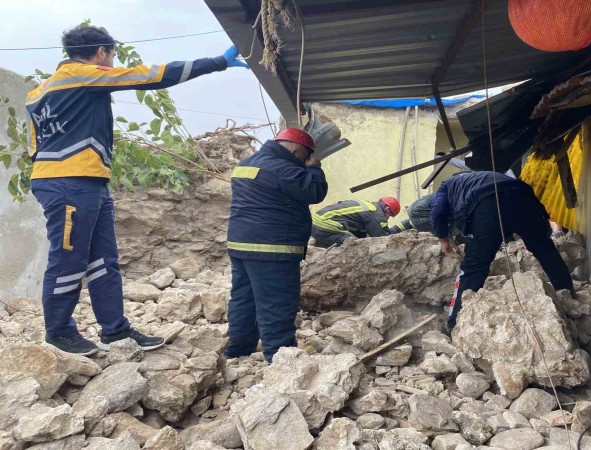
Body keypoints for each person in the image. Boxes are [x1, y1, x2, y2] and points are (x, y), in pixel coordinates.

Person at [25, 24, 249, 355]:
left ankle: (115, 330)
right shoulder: (85, 76)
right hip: (71, 184)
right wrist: (216, 62)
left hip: (82, 181)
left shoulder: (37, 93)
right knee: (68, 259)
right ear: (101, 53)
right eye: (112, 55)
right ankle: (58, 332)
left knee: (104, 260)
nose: (114, 63)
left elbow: (35, 146)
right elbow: (152, 75)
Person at [225, 128, 327, 363]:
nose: (303, 162)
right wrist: (314, 168)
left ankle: (238, 347)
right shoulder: (283, 168)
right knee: (276, 302)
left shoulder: (247, 163)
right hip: (272, 248)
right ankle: (280, 358)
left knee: (244, 298)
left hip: (241, 243)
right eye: (304, 157)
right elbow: (315, 191)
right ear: (294, 150)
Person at [430, 171, 574, 333]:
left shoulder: (446, 186)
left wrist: (443, 239)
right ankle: (568, 294)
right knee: (546, 250)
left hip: (487, 206)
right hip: (524, 198)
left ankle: (454, 322)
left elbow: (437, 209)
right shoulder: (485, 175)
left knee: (473, 268)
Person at [311, 196, 400, 248]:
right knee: (355, 246)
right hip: (325, 226)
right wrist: (401, 227)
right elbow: (383, 238)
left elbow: (359, 230)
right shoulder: (376, 215)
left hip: (316, 223)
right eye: (390, 215)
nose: (388, 219)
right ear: (387, 209)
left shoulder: (368, 205)